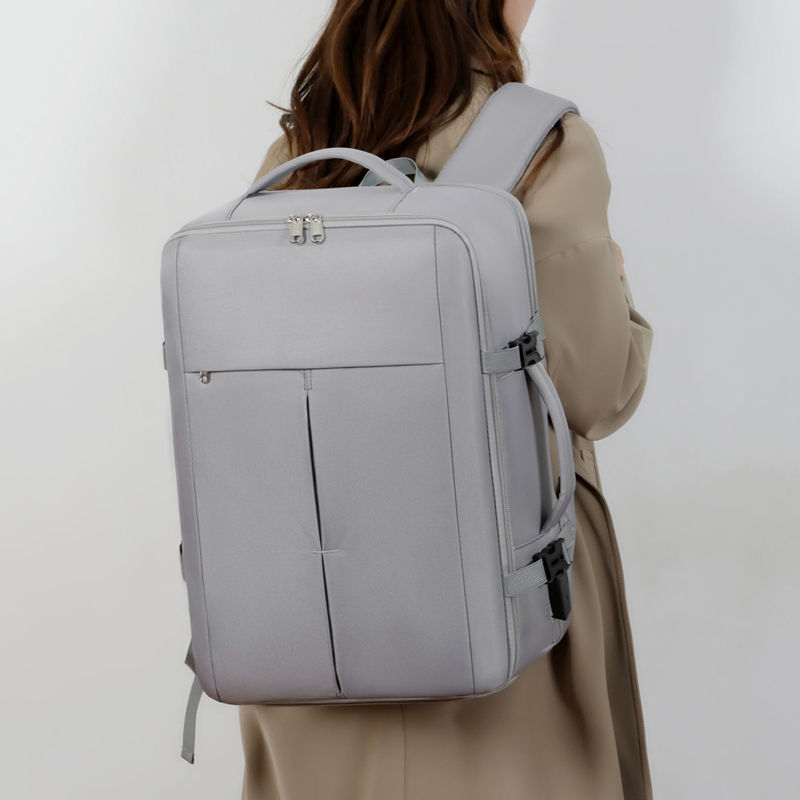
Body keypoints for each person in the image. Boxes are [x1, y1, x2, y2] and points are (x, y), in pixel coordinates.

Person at [239, 1, 655, 797]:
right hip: (498, 624)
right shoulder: (545, 146)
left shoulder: (297, 154)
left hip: (314, 631)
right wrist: (618, 289)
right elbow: (595, 388)